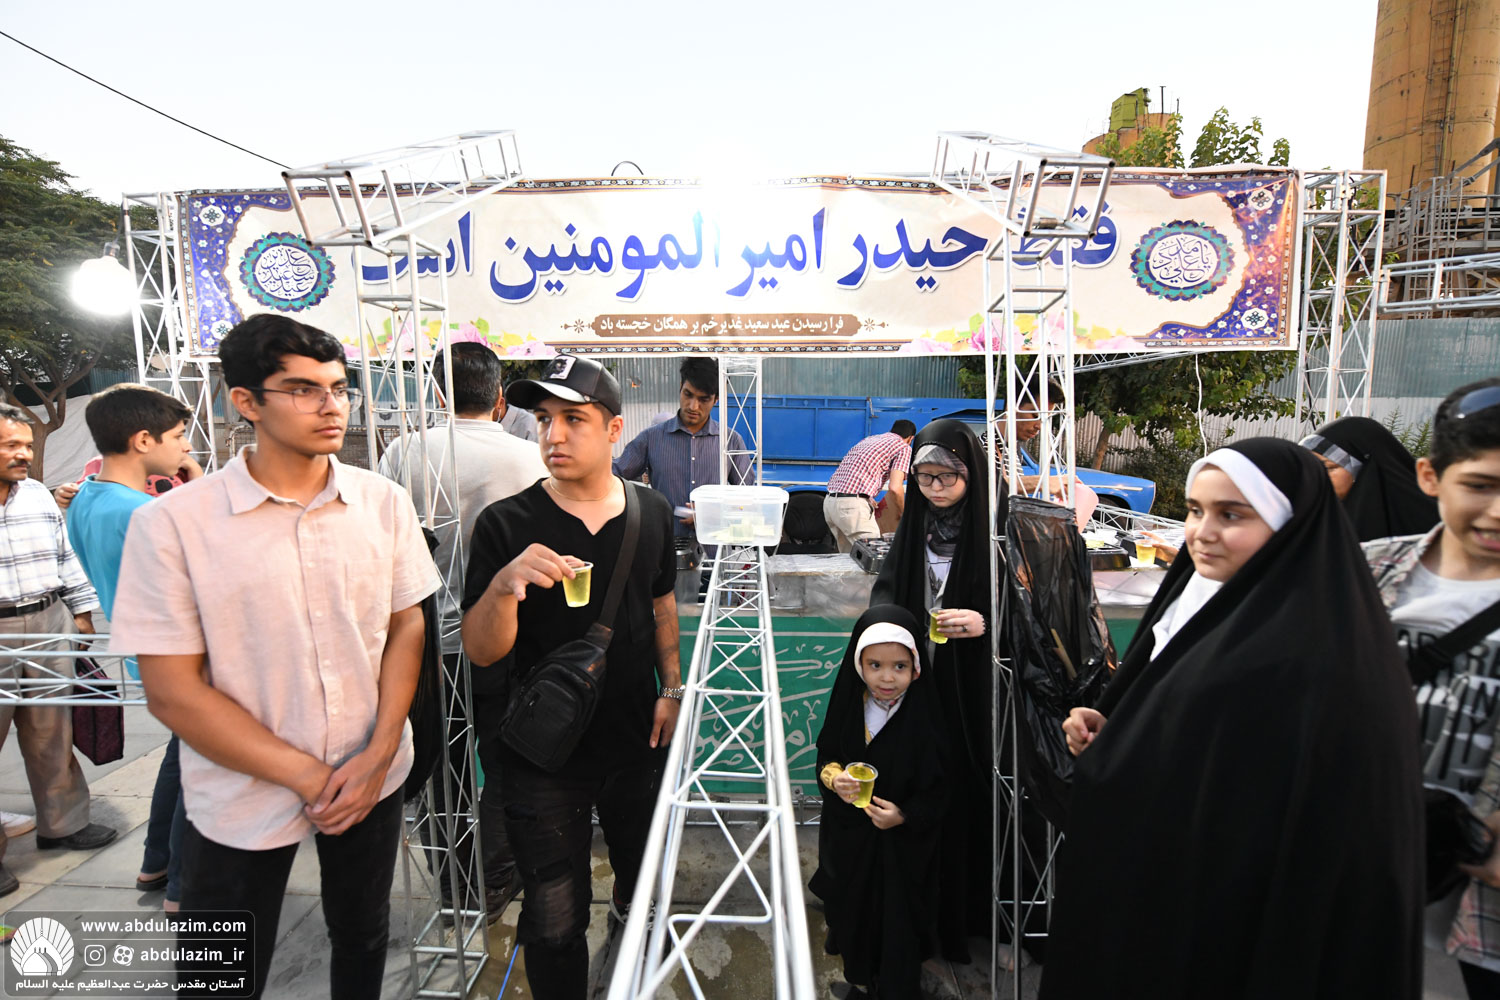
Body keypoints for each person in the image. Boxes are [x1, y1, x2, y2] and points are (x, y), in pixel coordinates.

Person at [109, 314, 440, 999]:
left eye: (338, 388)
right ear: (247, 402)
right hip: (240, 790)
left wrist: (380, 751)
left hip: (371, 772)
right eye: (303, 389)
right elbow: (171, 690)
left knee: (363, 935)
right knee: (221, 974)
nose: (331, 406)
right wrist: (308, 775)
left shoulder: (382, 502)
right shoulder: (174, 524)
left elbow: (406, 624)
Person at [1047, 439, 1423, 999]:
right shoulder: (1202, 595)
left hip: (1241, 919)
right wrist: (1116, 725)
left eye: (1232, 515)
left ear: (1290, 522)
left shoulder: (1321, 647)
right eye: (1195, 510)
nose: (1202, 532)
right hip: (1168, 890)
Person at [461, 354, 682, 1000]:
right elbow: (481, 650)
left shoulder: (652, 512)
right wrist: (504, 586)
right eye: (543, 419)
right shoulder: (505, 523)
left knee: (640, 877)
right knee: (554, 919)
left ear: (614, 430)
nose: (553, 435)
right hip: (541, 755)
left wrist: (671, 688)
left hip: (634, 738)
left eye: (573, 420)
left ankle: (629, 942)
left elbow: (662, 603)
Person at [378, 342, 546, 922]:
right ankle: (494, 878)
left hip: (424, 642)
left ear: (438, 392)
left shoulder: (403, 452)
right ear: (500, 398)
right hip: (504, 640)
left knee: (438, 769)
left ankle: (456, 886)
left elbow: (384, 541)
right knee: (506, 763)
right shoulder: (531, 458)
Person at [1360, 378, 1500, 997]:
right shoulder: (1364, 569)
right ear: (1429, 476)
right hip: (1364, 869)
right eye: (1480, 485)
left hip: (1484, 898)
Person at [869, 418, 1004, 964]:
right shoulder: (916, 526)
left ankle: (971, 917)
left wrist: (986, 623)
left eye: (948, 477)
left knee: (969, 789)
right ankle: (916, 915)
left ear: (972, 473)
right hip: (920, 682)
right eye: (924, 478)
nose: (935, 488)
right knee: (919, 781)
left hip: (976, 689)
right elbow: (888, 589)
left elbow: (1032, 608)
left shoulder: (998, 528)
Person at [65, 384, 201, 912]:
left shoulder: (87, 499)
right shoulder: (144, 513)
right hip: (182, 654)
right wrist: (198, 487)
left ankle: (156, 861)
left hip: (146, 651)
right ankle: (184, 889)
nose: (185, 447)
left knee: (183, 757)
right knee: (204, 772)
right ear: (143, 440)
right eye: (179, 436)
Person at [0, 403, 115, 896]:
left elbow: (64, 555)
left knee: (51, 728)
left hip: (49, 619)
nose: (24, 454)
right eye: (11, 446)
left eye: (26, 445)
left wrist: (82, 611)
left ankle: (63, 824)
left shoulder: (35, 496)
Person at [811, 605, 945, 999]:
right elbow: (826, 755)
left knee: (895, 928)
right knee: (855, 915)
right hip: (851, 841)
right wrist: (835, 779)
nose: (887, 678)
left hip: (902, 852)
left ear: (916, 667)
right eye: (875, 665)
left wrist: (904, 815)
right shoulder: (850, 706)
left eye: (899, 666)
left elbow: (941, 788)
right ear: (859, 664)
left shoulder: (925, 718)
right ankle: (865, 980)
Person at [613, 355, 750, 535]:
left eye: (703, 399)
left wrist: (713, 513)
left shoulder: (731, 442)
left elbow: (748, 499)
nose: (693, 406)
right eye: (688, 394)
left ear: (716, 399)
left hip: (715, 547)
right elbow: (613, 474)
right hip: (665, 545)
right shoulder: (651, 438)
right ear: (680, 387)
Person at [1302, 414, 1439, 542]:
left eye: (1328, 468)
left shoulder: (1434, 526)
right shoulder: (1319, 518)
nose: (1316, 477)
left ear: (1362, 469)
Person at [823, 421, 916, 553]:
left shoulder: (870, 439)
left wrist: (868, 498)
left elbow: (856, 474)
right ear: (911, 438)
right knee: (874, 555)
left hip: (830, 503)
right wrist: (903, 514)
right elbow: (895, 488)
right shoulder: (903, 447)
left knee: (851, 559)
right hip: (851, 508)